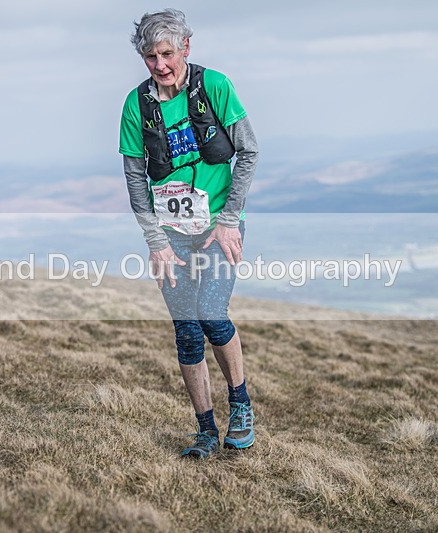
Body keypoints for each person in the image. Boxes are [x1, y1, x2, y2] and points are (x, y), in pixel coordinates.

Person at [119, 9, 259, 458]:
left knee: (211, 314)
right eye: (150, 56)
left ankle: (241, 406)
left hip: (218, 227)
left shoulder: (214, 86)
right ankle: (205, 430)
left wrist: (230, 218)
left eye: (167, 53)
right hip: (171, 234)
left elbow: (249, 151)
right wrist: (155, 241)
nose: (160, 65)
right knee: (187, 332)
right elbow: (135, 178)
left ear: (185, 47)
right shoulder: (136, 106)